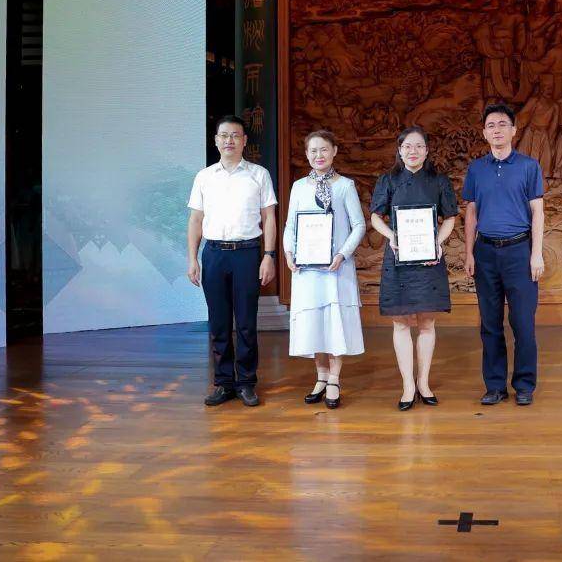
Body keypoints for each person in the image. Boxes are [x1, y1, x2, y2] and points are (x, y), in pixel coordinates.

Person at [186, 115, 277, 408]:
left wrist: (269, 256)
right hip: (213, 254)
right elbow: (196, 220)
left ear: (244, 141)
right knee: (219, 322)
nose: (229, 141)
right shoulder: (204, 177)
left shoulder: (258, 175)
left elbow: (269, 217)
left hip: (247, 253)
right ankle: (223, 382)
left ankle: (247, 382)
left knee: (247, 322)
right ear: (216, 140)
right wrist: (192, 258)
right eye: (224, 135)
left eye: (235, 135)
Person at [369, 126, 459, 410]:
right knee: (401, 323)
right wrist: (392, 236)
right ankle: (408, 385)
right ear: (399, 150)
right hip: (399, 258)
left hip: (428, 259)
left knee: (427, 323)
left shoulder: (439, 181)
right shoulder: (388, 180)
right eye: (407, 146)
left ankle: (424, 382)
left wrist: (437, 242)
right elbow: (375, 217)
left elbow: (450, 217)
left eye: (419, 146)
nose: (413, 151)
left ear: (427, 150)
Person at [463, 103, 545, 406]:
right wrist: (469, 253)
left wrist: (536, 254)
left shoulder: (528, 166)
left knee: (523, 323)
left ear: (513, 130)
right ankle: (495, 386)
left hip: (519, 251)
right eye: (490, 126)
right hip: (485, 252)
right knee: (490, 323)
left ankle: (524, 385)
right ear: (484, 133)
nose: (496, 130)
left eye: (502, 124)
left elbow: (538, 212)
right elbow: (471, 212)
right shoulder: (476, 169)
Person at [282, 130, 366, 409]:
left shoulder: (345, 186)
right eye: (313, 151)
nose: (319, 155)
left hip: (336, 268)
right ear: (307, 154)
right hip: (307, 269)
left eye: (324, 150)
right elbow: (290, 226)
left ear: (334, 151)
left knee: (334, 321)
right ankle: (320, 377)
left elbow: (358, 225)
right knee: (315, 322)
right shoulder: (298, 187)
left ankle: (334, 379)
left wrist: (343, 254)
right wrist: (289, 253)